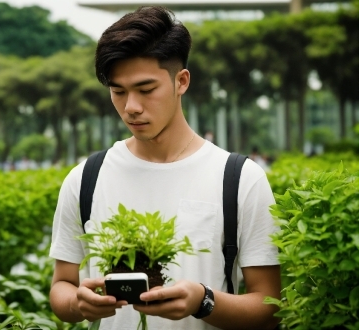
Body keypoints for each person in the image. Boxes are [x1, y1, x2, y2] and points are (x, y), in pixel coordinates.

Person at [49, 7, 280, 330]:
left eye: (146, 90)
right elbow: (61, 285)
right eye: (118, 92)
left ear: (181, 81)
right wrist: (77, 302)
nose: (131, 107)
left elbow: (269, 305)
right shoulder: (86, 177)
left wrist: (203, 301)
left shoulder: (239, 178)